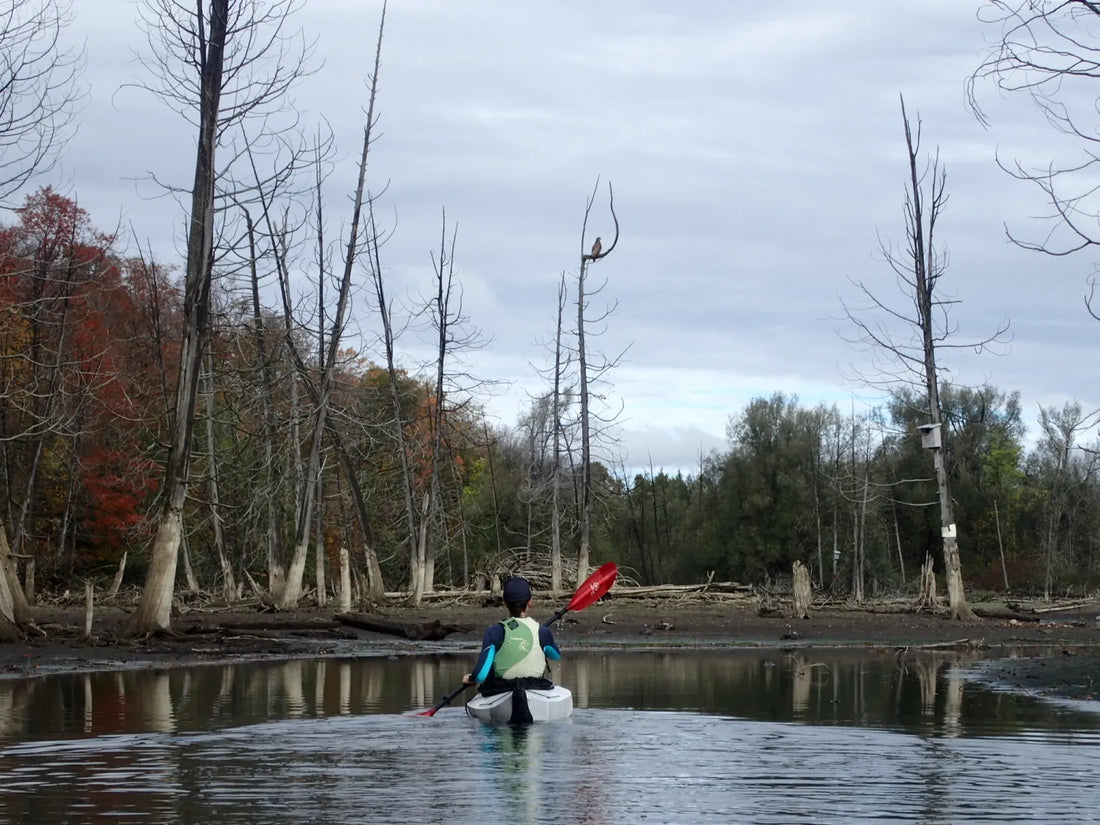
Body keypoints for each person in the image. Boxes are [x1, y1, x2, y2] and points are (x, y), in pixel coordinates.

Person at [462, 576, 561, 723]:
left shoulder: (494, 632)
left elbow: (481, 675)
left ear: (505, 603)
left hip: (501, 691)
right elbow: (555, 656)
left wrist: (471, 678)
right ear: (530, 601)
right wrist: (543, 639)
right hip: (535, 688)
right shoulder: (542, 631)